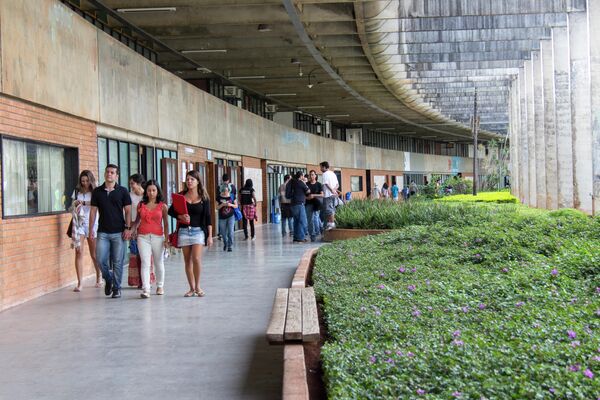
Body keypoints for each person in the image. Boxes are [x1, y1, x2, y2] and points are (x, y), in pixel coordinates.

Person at [89, 164, 132, 299]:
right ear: (104, 174)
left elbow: (128, 211)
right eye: (107, 172)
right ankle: (109, 278)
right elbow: (93, 212)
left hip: (119, 232)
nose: (109, 174)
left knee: (118, 261)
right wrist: (91, 229)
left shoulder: (123, 191)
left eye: (112, 172)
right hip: (102, 232)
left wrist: (128, 228)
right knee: (100, 260)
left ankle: (117, 288)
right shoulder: (97, 192)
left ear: (116, 176)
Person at [169, 170, 213, 297]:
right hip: (184, 231)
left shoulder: (204, 198)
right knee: (187, 261)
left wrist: (210, 236)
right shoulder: (180, 196)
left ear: (198, 181)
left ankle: (198, 286)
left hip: (198, 231)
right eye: (187, 179)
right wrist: (180, 217)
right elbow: (171, 211)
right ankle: (191, 288)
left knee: (197, 259)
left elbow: (208, 218)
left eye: (192, 179)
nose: (189, 181)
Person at [131, 180, 169, 299]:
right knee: (145, 263)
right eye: (149, 190)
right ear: (146, 192)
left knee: (158, 263)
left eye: (154, 190)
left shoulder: (163, 206)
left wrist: (167, 239)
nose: (151, 193)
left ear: (157, 191)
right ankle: (146, 289)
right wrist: (131, 229)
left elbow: (166, 224)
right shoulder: (141, 205)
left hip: (158, 237)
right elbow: (137, 220)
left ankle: (160, 286)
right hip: (142, 237)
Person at [70, 170, 101, 292]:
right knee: (78, 251)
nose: (85, 183)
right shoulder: (77, 191)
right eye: (82, 181)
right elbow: (71, 205)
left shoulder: (96, 192)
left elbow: (97, 205)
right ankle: (80, 282)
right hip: (79, 224)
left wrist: (84, 202)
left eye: (87, 181)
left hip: (92, 223)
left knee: (94, 254)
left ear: (91, 180)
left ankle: (99, 276)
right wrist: (75, 203)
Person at [127, 173, 145, 288]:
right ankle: (137, 280)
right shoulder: (129, 196)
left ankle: (145, 279)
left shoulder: (147, 195)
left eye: (132, 183)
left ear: (139, 184)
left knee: (144, 254)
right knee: (135, 253)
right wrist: (129, 227)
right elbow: (127, 212)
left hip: (145, 227)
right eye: (130, 184)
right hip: (134, 227)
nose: (131, 186)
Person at [287, 171, 310, 242]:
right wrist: (305, 183)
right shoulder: (300, 182)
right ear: (300, 176)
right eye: (303, 176)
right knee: (302, 221)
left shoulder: (292, 182)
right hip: (299, 204)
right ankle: (301, 238)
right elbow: (308, 191)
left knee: (296, 221)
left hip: (293, 204)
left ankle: (296, 237)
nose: (304, 177)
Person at [217, 184, 237, 252]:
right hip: (222, 217)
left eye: (227, 190)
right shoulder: (219, 197)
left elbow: (236, 206)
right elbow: (216, 207)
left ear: (229, 190)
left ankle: (230, 246)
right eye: (224, 191)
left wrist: (230, 205)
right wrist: (222, 204)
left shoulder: (232, 196)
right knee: (223, 233)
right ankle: (225, 243)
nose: (225, 192)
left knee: (230, 232)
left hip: (231, 216)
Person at [319, 161, 339, 231]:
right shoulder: (333, 173)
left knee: (328, 210)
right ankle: (330, 224)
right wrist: (334, 190)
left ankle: (332, 224)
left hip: (328, 195)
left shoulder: (325, 174)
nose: (320, 169)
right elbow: (337, 185)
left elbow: (326, 184)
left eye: (321, 167)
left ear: (324, 167)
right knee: (332, 209)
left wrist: (331, 190)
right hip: (334, 195)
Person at [305, 170, 323, 242]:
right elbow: (303, 195)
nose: (311, 176)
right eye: (310, 175)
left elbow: (322, 194)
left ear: (315, 176)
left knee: (316, 219)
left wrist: (313, 195)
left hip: (316, 204)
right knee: (310, 220)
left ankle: (319, 232)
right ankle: (312, 236)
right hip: (308, 204)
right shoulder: (306, 184)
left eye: (313, 174)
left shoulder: (319, 184)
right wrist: (307, 198)